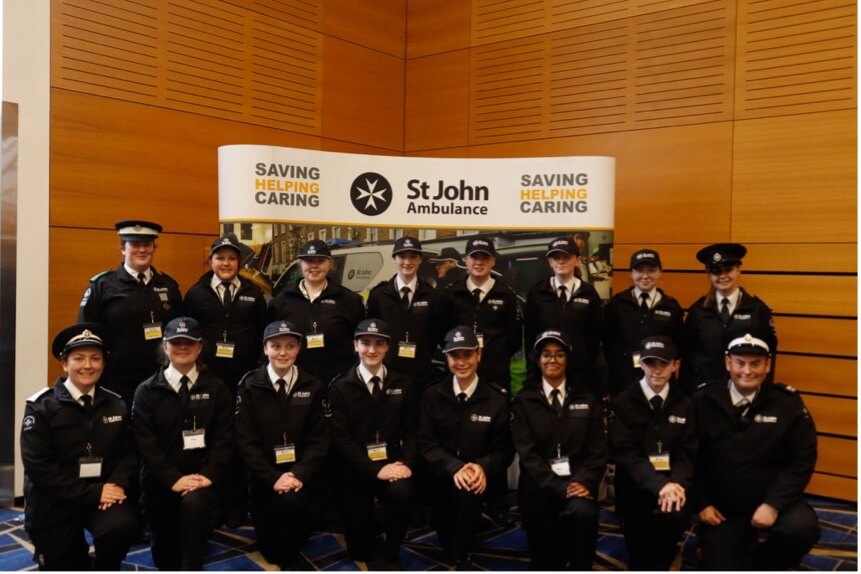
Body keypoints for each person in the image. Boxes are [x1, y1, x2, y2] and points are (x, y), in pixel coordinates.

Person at [685, 330, 820, 570]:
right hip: (722, 508)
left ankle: (764, 563)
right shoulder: (703, 400)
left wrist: (773, 504)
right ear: (728, 363)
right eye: (740, 363)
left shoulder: (787, 403)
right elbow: (689, 456)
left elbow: (803, 459)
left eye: (756, 363)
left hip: (769, 500)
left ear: (768, 365)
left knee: (803, 529)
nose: (747, 371)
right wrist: (702, 503)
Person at [21, 323, 138, 571]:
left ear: (103, 364)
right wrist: (92, 493)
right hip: (54, 501)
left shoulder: (116, 404)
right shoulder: (41, 407)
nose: (88, 365)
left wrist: (116, 485)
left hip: (102, 495)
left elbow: (128, 453)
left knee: (121, 527)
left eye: (95, 358)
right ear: (65, 364)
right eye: (79, 358)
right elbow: (38, 467)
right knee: (64, 563)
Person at [131, 317, 234, 571]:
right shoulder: (147, 391)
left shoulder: (217, 388)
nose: (182, 347)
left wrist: (207, 475)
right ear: (165, 347)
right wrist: (172, 479)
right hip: (159, 483)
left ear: (200, 347)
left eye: (189, 342)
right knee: (165, 557)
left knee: (194, 520)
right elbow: (145, 443)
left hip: (201, 482)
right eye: (175, 342)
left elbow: (224, 438)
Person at [183, 235, 268, 525]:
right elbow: (187, 338)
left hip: (244, 381)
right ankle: (211, 504)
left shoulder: (253, 294)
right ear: (212, 261)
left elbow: (262, 336)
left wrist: (257, 370)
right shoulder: (195, 293)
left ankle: (237, 505)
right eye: (220, 258)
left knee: (241, 440)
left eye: (232, 258)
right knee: (211, 441)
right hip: (207, 382)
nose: (226, 263)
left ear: (239, 262)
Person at [234, 320, 330, 570]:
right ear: (265, 348)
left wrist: (299, 474)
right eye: (275, 346)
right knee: (271, 552)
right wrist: (272, 477)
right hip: (264, 475)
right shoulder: (249, 385)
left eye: (289, 346)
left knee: (291, 541)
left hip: (301, 475)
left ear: (299, 348)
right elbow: (245, 440)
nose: (283, 352)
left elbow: (320, 439)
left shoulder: (313, 385)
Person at [418, 326, 514, 569]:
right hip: (440, 473)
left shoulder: (497, 398)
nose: (461, 362)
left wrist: (482, 467)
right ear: (446, 358)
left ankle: (461, 555)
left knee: (468, 488)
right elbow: (426, 443)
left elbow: (505, 449)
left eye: (467, 355)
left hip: (477, 477)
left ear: (478, 355)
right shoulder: (431, 395)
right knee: (443, 522)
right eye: (454, 356)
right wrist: (453, 467)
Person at [511, 330, 607, 570]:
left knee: (583, 517)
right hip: (539, 490)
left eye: (559, 354)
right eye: (546, 354)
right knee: (545, 561)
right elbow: (528, 456)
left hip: (579, 486)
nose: (552, 359)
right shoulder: (524, 401)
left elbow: (598, 449)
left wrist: (583, 481)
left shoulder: (587, 398)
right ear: (537, 360)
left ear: (567, 359)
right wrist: (560, 487)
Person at [328, 319, 419, 569]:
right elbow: (340, 439)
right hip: (355, 467)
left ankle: (393, 547)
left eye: (379, 344)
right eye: (365, 343)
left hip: (393, 461)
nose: (372, 350)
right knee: (361, 551)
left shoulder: (403, 383)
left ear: (388, 347)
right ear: (355, 345)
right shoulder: (339, 387)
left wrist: (407, 464)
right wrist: (374, 470)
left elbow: (411, 430)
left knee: (403, 491)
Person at [608, 336, 693, 570]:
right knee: (640, 556)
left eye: (663, 364)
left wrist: (674, 485)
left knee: (664, 548)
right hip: (635, 490)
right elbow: (625, 453)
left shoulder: (686, 403)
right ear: (641, 364)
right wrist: (659, 485)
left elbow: (688, 452)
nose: (657, 370)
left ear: (675, 366)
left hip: (673, 489)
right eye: (650, 363)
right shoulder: (622, 402)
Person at [77, 219, 183, 406]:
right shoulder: (102, 285)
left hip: (161, 380)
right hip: (116, 382)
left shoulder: (168, 285)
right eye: (135, 244)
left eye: (147, 245)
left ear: (154, 248)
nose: (142, 250)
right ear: (123, 249)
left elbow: (180, 331)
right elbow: (85, 334)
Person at [680, 243, 777, 394]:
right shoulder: (697, 311)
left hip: (745, 391)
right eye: (716, 271)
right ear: (709, 274)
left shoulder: (758, 310)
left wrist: (765, 394)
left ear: (738, 269)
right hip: (706, 394)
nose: (723, 276)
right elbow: (687, 358)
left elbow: (769, 356)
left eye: (728, 269)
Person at [267, 239, 364, 385]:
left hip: (338, 381)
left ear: (330, 264)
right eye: (309, 261)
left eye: (320, 260)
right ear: (300, 264)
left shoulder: (349, 300)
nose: (314, 266)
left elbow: (360, 342)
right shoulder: (281, 301)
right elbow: (269, 341)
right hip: (295, 383)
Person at [438, 236, 521, 392]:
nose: (479, 262)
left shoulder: (506, 295)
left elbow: (514, 338)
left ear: (493, 261)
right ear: (465, 260)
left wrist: (495, 356)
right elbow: (441, 334)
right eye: (474, 257)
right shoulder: (450, 294)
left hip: (495, 375)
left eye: (485, 257)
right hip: (459, 375)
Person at [523, 236, 603, 393]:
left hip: (581, 374)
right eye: (556, 257)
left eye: (566, 256)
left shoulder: (589, 294)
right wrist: (534, 369)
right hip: (546, 372)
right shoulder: (537, 293)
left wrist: (585, 362)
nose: (561, 261)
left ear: (577, 260)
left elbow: (595, 335)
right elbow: (530, 335)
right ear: (550, 262)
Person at [366, 236, 444, 389]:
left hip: (422, 375)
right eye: (402, 256)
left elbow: (438, 333)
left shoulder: (433, 296)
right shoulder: (379, 295)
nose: (407, 262)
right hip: (388, 373)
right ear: (394, 259)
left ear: (420, 260)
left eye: (413, 257)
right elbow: (371, 334)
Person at [603, 249, 684, 396]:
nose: (645, 276)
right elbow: (607, 342)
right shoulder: (617, 304)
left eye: (651, 270)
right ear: (631, 274)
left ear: (660, 272)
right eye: (639, 271)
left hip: (659, 381)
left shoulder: (671, 307)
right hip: (623, 381)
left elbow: (679, 346)